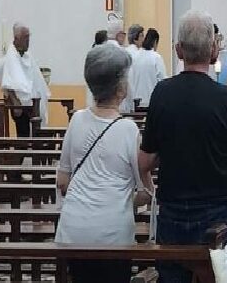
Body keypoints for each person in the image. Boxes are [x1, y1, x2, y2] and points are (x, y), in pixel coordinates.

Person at [138, 10, 227, 283]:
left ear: (178, 50)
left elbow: (144, 162)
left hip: (172, 211)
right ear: (213, 49)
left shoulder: (162, 93)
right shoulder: (225, 99)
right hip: (215, 215)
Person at [55, 44, 154, 283]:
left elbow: (63, 180)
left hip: (74, 233)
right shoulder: (129, 130)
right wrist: (122, 200)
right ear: (120, 87)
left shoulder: (77, 120)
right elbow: (146, 191)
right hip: (112, 236)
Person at [0, 23, 51, 136]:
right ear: (17, 38)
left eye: (28, 37)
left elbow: (34, 78)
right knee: (24, 134)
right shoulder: (11, 57)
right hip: (20, 106)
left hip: (33, 103)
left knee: (37, 133)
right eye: (25, 37)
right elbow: (7, 83)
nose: (28, 40)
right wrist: (15, 102)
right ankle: (24, 153)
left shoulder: (28, 55)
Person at [128, 28, 167, 108]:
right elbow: (163, 80)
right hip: (151, 101)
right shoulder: (156, 57)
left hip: (135, 102)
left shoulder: (135, 56)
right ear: (155, 42)